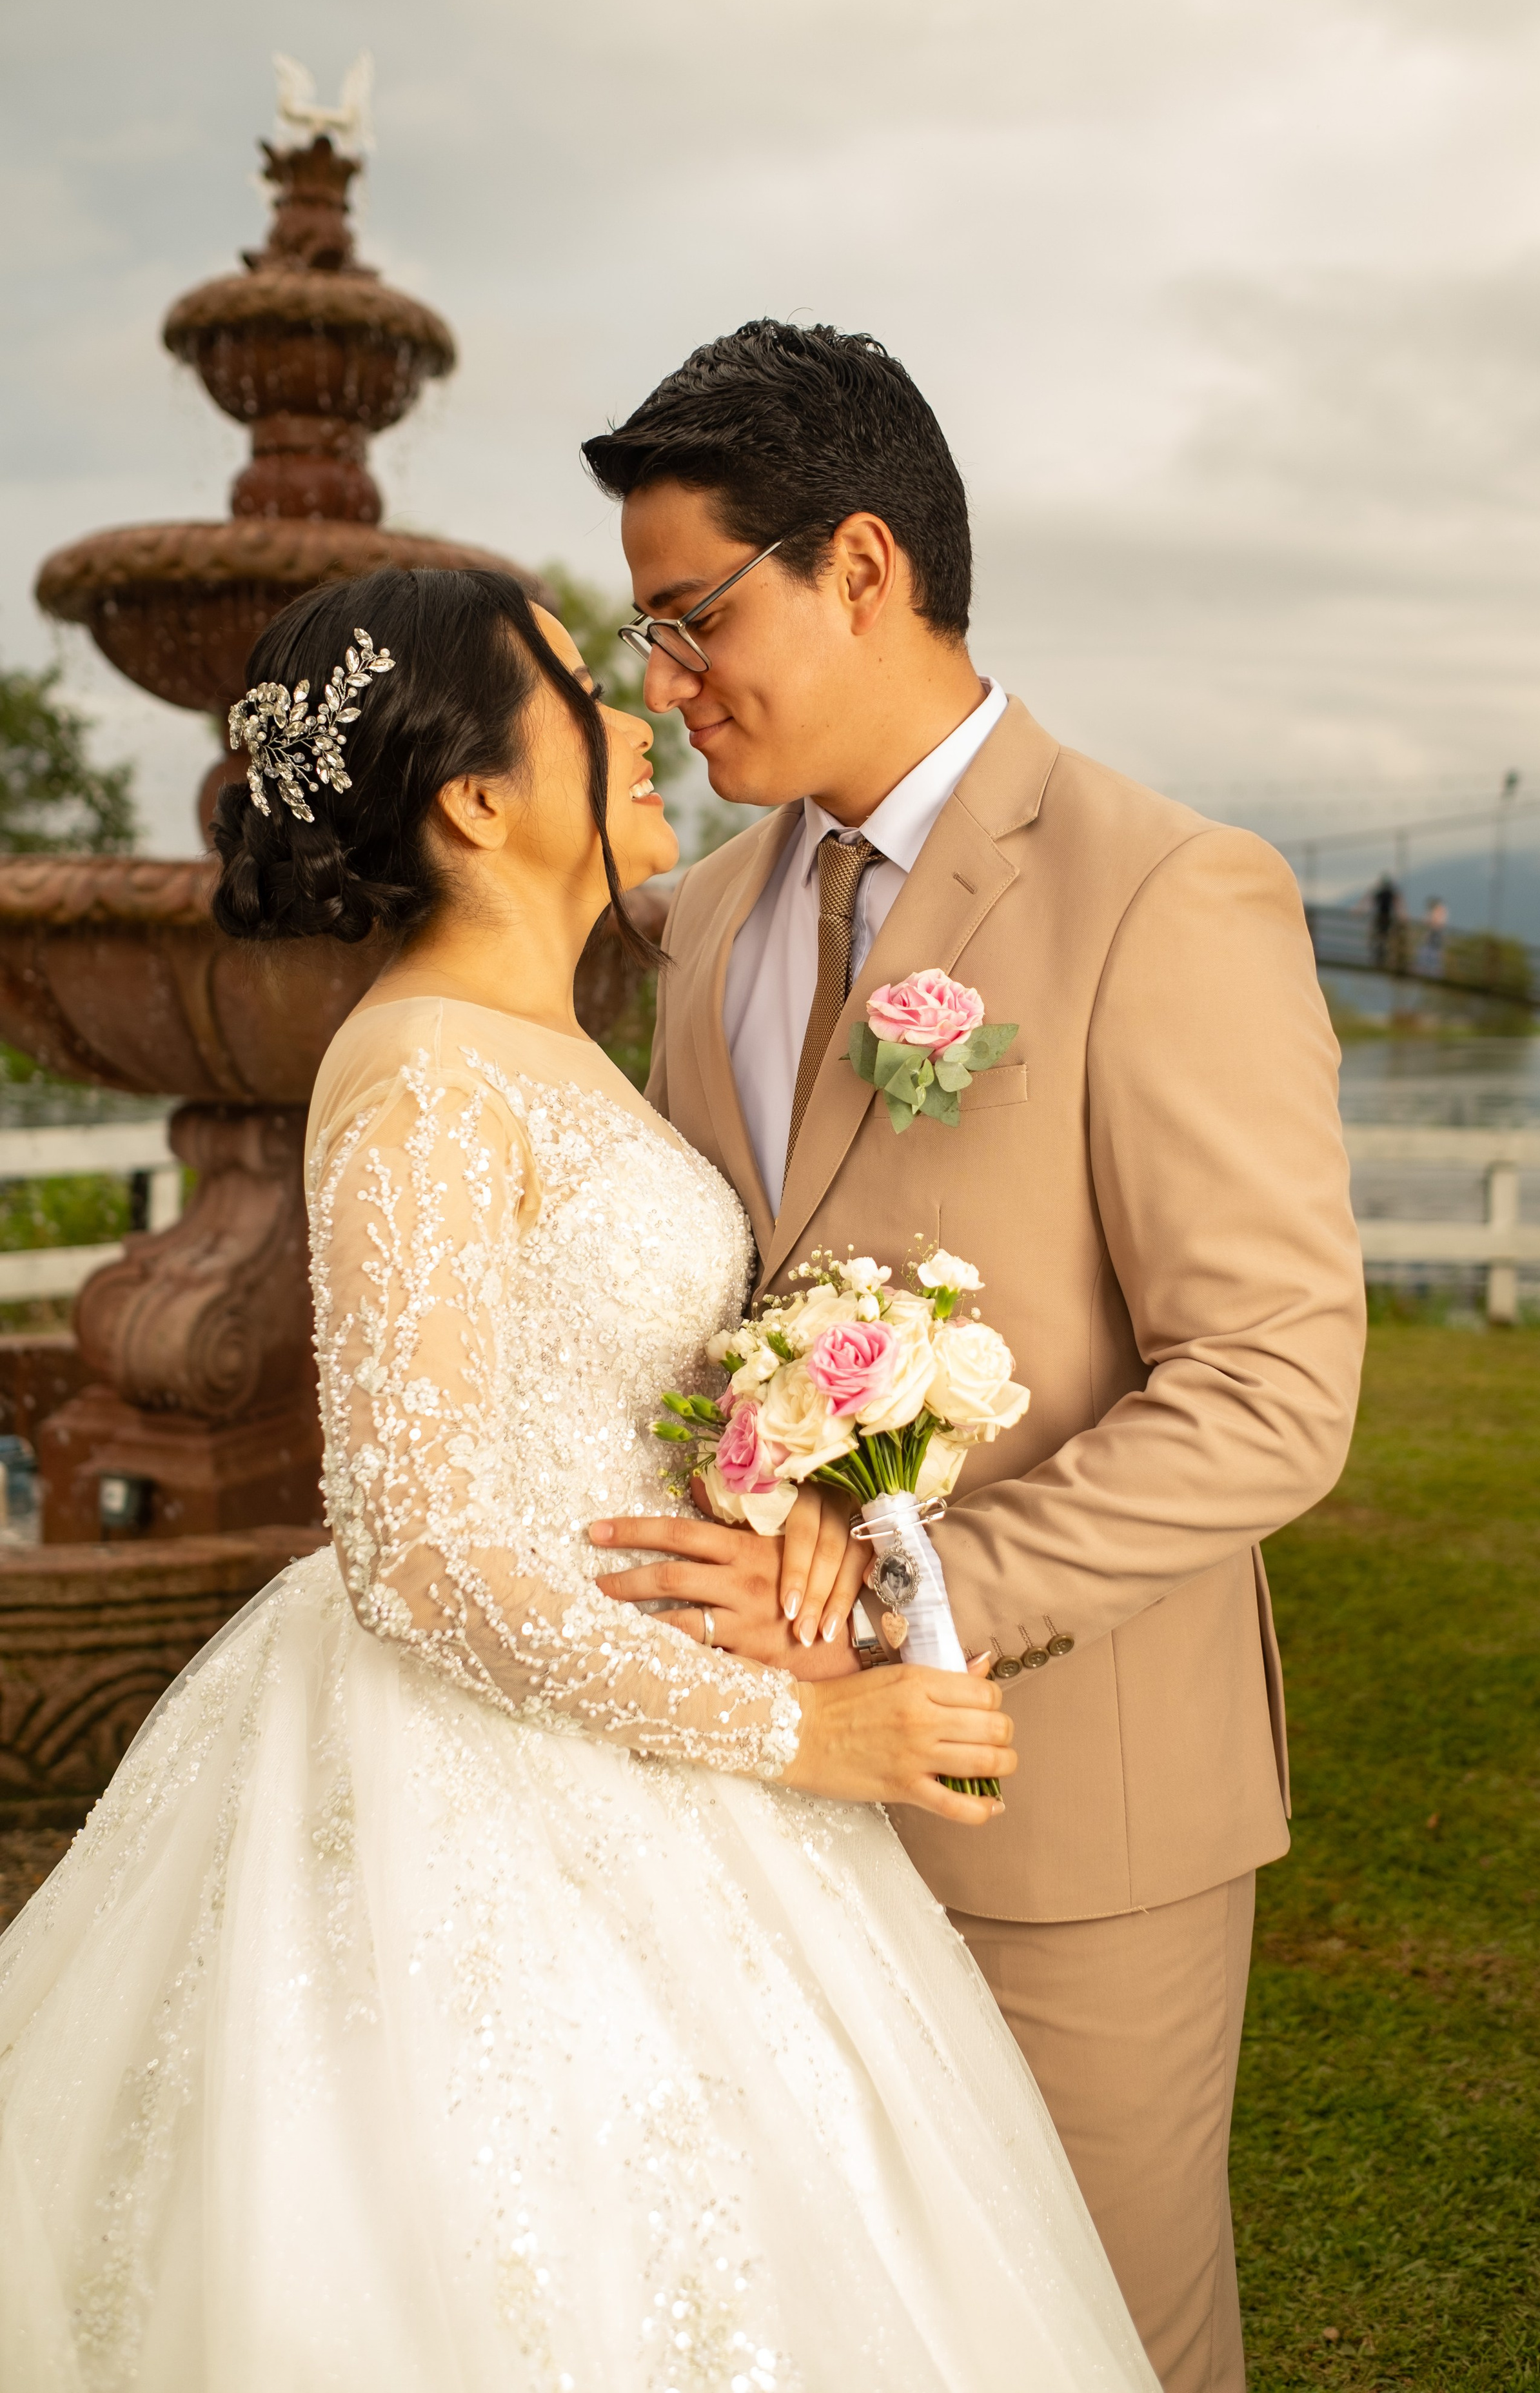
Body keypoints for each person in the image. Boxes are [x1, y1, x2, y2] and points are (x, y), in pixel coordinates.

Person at [0, 564, 1156, 2392]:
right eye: (578, 684)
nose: (639, 717)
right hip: (483, 1773)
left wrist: (794, 1475)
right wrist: (808, 1742)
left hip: (636, 1709)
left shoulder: (548, 1049)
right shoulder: (427, 1079)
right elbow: (422, 1556)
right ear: (474, 796)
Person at [581, 321, 1367, 2393]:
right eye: (643, 631)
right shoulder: (706, 919)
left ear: (858, 564)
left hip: (1071, 1821)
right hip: (755, 1797)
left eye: (692, 618)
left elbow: (1276, 1384)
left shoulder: (1168, 891)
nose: (666, 682)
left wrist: (920, 1593)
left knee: (1097, 2341)